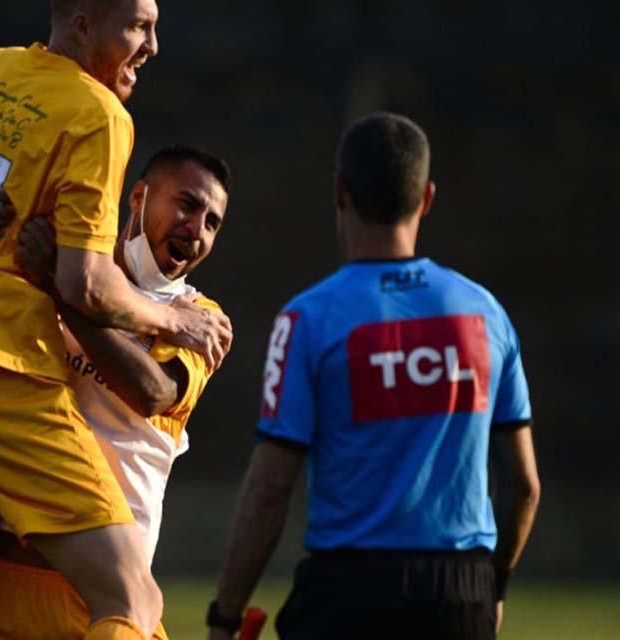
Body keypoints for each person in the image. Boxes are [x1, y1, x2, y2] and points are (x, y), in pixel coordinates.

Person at [0, 2, 233, 639]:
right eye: (138, 26)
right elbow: (84, 284)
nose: (151, 45)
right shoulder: (98, 114)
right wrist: (166, 321)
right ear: (82, 20)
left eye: (212, 223)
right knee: (134, 602)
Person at [206, 113, 540, 640]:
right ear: (426, 198)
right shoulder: (485, 313)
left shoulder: (308, 319)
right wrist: (492, 588)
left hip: (348, 591)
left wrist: (226, 614)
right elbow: (523, 485)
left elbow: (271, 487)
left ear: (341, 193)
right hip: (461, 594)